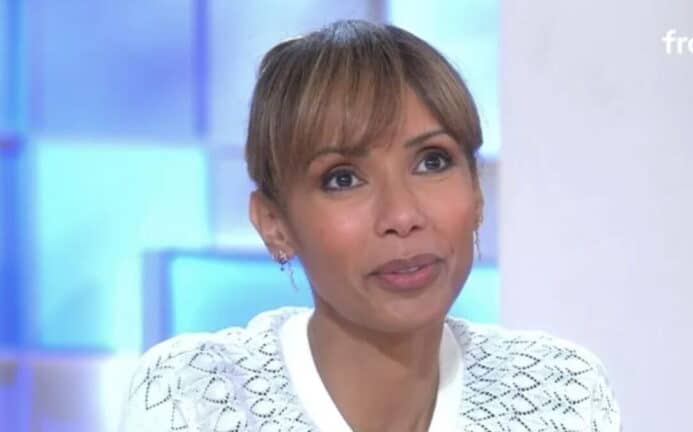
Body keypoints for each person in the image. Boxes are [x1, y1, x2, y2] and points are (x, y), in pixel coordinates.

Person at [121, 19, 621, 432]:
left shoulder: (561, 394)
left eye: (432, 162)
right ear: (274, 224)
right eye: (343, 178)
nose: (403, 215)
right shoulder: (196, 397)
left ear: (476, 192)